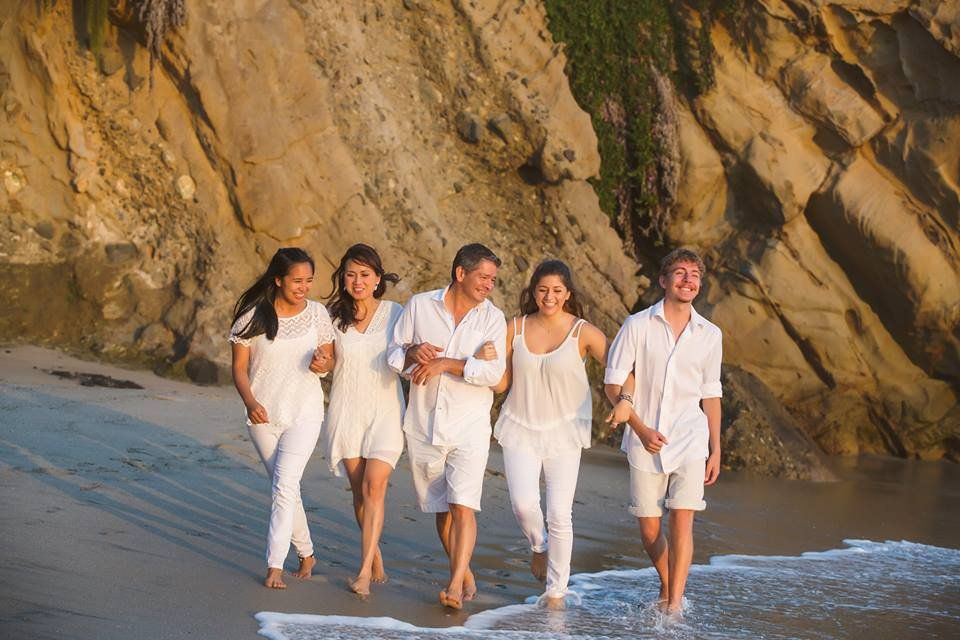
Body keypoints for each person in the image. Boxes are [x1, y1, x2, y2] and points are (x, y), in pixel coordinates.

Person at [475, 260, 607, 609]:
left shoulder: (583, 332)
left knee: (560, 515)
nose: (550, 296)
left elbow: (620, 367)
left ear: (568, 294)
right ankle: (539, 545)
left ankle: (556, 593)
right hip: (521, 425)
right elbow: (501, 384)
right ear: (533, 292)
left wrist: (626, 401)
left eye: (557, 290)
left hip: (565, 431)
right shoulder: (515, 328)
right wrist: (483, 358)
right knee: (523, 505)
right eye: (543, 290)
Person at [387, 243, 507, 610]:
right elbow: (393, 355)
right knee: (442, 510)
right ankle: (464, 571)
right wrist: (412, 353)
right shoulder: (420, 306)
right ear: (460, 273)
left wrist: (447, 364)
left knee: (462, 505)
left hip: (470, 425)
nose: (488, 285)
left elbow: (494, 374)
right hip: (424, 424)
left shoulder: (493, 318)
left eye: (492, 279)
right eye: (483, 277)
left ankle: (454, 586)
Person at [603, 247, 722, 617]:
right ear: (664, 280)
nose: (688, 281)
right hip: (644, 438)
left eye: (695, 275)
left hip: (691, 437)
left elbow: (711, 394)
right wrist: (639, 429)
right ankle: (669, 584)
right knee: (650, 530)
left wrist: (716, 449)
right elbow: (613, 383)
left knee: (683, 521)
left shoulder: (710, 334)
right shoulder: (637, 325)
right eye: (681, 273)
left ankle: (673, 606)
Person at [229, 247, 336, 589]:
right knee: (285, 487)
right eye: (296, 281)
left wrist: (322, 363)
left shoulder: (317, 314)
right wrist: (249, 401)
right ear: (278, 280)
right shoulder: (252, 317)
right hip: (263, 416)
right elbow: (239, 368)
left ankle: (274, 565)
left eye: (309, 281)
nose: (304, 287)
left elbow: (328, 361)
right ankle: (307, 554)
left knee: (284, 485)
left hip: (305, 412)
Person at [322, 244, 405, 597]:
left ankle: (364, 571)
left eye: (365, 275)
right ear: (343, 278)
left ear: (377, 278)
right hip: (346, 409)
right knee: (359, 492)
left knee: (374, 487)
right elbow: (328, 361)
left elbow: (412, 351)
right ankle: (376, 555)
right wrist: (320, 362)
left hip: (386, 410)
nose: (357, 281)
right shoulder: (332, 316)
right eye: (351, 274)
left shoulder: (396, 313)